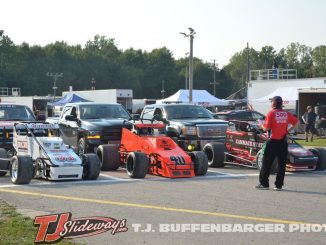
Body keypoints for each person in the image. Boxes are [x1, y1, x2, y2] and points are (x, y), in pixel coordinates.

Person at [256, 96, 299, 191]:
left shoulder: (271, 113)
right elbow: (296, 123)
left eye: (271, 101)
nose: (271, 103)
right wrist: (287, 131)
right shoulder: (286, 113)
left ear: (274, 103)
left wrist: (261, 125)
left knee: (266, 163)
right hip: (283, 141)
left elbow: (266, 128)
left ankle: (264, 184)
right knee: (281, 164)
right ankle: (278, 185)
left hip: (272, 142)